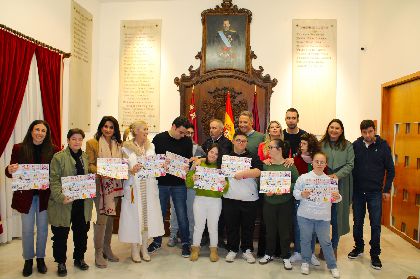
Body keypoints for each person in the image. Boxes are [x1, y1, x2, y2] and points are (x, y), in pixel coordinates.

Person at [5, 120, 59, 277]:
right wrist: (9, 169)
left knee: (42, 230)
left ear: (46, 133)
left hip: (44, 197)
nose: (40, 133)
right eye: (37, 129)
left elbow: (56, 173)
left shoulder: (54, 150)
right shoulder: (19, 148)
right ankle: (28, 260)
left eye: (43, 130)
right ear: (31, 131)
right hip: (26, 197)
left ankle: (40, 259)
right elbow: (10, 172)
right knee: (27, 230)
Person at [348, 120, 395, 270]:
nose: (367, 135)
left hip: (375, 192)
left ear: (374, 130)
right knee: (357, 223)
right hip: (358, 192)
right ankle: (359, 247)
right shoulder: (355, 146)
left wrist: (387, 190)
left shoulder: (383, 146)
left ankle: (375, 254)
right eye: (364, 132)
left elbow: (391, 170)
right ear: (361, 132)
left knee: (375, 225)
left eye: (370, 131)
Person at [49, 128, 93, 277]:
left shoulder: (85, 157)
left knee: (82, 233)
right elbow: (53, 181)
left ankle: (79, 258)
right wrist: (61, 197)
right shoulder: (58, 157)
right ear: (68, 140)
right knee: (61, 235)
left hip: (82, 203)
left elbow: (88, 178)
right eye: (74, 139)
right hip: (64, 203)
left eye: (80, 139)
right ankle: (61, 262)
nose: (77, 142)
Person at [119, 121, 165, 263]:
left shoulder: (151, 147)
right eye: (144, 129)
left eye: (147, 129)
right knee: (134, 218)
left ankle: (144, 248)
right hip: (134, 187)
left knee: (147, 219)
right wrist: (130, 170)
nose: (147, 131)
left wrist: (161, 165)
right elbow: (121, 168)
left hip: (149, 187)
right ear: (136, 131)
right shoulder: (126, 148)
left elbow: (154, 165)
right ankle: (134, 250)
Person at [148, 116, 193, 257]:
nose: (183, 135)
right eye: (181, 132)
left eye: (185, 133)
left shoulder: (187, 141)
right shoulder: (159, 139)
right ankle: (156, 241)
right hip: (161, 183)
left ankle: (185, 243)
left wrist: (188, 166)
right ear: (173, 127)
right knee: (159, 213)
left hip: (179, 184)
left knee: (181, 213)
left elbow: (188, 161)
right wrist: (160, 163)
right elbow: (151, 160)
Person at [293, 151, 341, 278]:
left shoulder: (330, 181)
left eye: (322, 162)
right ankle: (305, 263)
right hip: (305, 215)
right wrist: (302, 194)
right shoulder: (303, 178)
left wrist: (337, 197)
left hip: (323, 217)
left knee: (325, 242)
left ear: (326, 164)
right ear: (312, 163)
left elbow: (335, 198)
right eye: (317, 161)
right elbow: (295, 193)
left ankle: (332, 266)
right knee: (305, 240)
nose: (319, 164)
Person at [86, 116, 123, 268]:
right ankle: (98, 253)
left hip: (114, 185)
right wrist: (104, 171)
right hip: (100, 185)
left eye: (111, 127)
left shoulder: (118, 144)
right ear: (101, 127)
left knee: (110, 220)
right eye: (105, 126)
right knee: (101, 221)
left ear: (115, 129)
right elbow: (89, 165)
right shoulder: (92, 143)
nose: (108, 130)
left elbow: (122, 163)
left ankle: (107, 249)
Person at [258, 139, 299, 271]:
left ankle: (286, 256)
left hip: (285, 204)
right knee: (270, 231)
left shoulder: (289, 165)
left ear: (280, 149)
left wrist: (282, 186)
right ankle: (269, 254)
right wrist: (266, 192)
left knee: (284, 232)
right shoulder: (266, 165)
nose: (268, 150)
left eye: (271, 147)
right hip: (269, 203)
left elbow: (298, 183)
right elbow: (260, 183)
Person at [223, 130, 263, 264]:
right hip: (230, 197)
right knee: (231, 226)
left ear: (247, 143)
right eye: (238, 140)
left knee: (248, 227)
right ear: (233, 141)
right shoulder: (226, 157)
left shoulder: (253, 156)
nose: (241, 143)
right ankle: (232, 249)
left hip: (249, 198)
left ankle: (247, 250)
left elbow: (258, 171)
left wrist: (243, 173)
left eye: (244, 141)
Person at [186, 144, 229, 262]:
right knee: (198, 227)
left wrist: (225, 185)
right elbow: (188, 183)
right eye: (211, 152)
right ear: (207, 152)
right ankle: (195, 249)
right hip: (200, 199)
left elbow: (225, 188)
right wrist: (192, 178)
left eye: (216, 154)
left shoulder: (221, 168)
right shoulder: (199, 164)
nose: (213, 155)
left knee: (213, 227)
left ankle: (213, 250)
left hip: (215, 201)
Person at [320, 119, 354, 258]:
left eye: (337, 128)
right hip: (323, 181)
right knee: (323, 216)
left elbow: (350, 164)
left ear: (341, 130)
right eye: (331, 127)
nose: (334, 130)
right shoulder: (321, 144)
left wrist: (337, 175)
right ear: (328, 129)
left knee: (337, 216)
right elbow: (315, 160)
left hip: (341, 183)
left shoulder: (348, 145)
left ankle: (334, 246)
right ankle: (324, 246)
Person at [167, 123, 205, 246]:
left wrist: (200, 160)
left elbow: (208, 161)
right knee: (174, 210)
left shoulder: (198, 148)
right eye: (186, 133)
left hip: (191, 186)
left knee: (190, 211)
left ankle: (189, 237)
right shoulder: (175, 145)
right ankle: (173, 235)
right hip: (176, 183)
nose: (188, 135)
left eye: (191, 133)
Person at [290, 133, 322, 266]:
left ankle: (311, 253)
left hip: (315, 200)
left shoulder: (318, 159)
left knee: (313, 227)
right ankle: (298, 252)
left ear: (311, 145)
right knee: (298, 227)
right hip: (300, 199)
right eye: (300, 143)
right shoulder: (295, 160)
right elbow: (292, 180)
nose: (301, 146)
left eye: (304, 143)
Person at [200, 118, 232, 248]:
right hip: (206, 181)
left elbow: (222, 157)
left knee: (219, 213)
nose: (211, 130)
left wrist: (206, 158)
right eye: (210, 128)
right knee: (205, 211)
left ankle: (218, 237)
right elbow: (203, 158)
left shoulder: (227, 143)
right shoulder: (206, 142)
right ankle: (205, 236)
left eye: (214, 128)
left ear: (221, 129)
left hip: (219, 180)